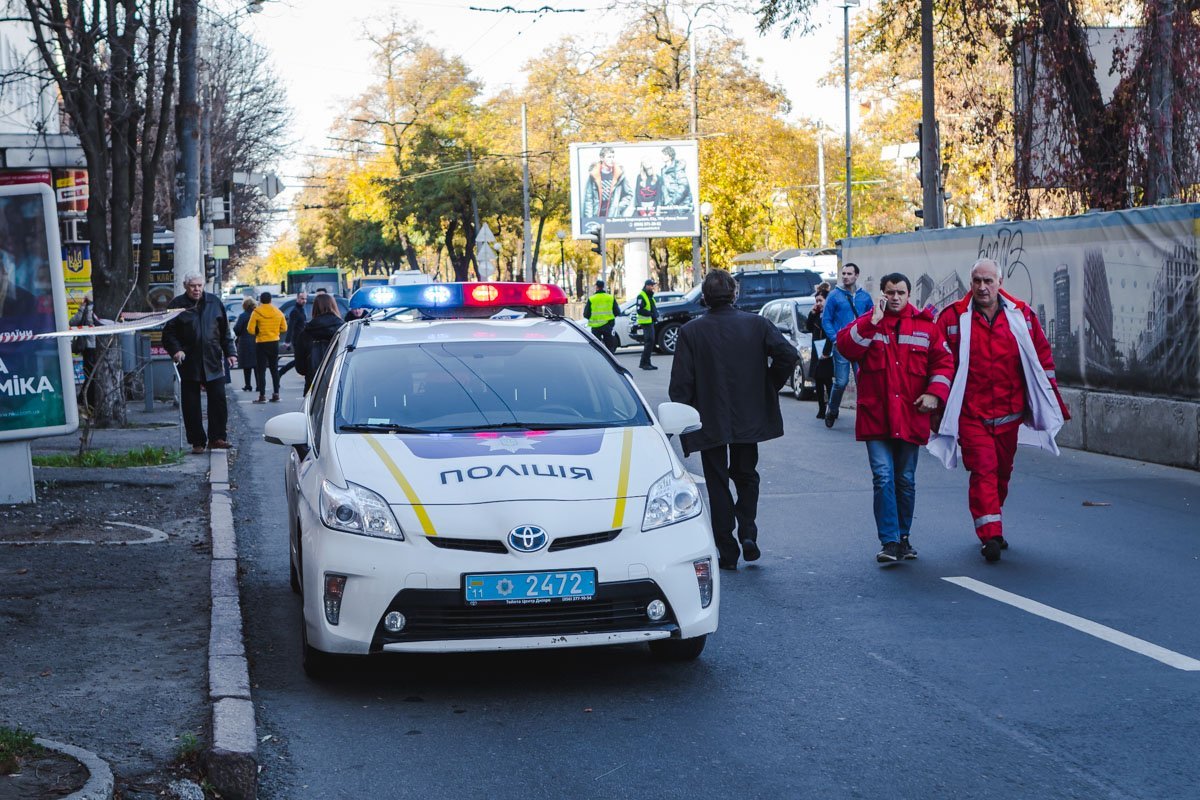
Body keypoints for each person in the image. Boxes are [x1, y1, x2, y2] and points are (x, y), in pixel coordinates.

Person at [929, 258, 1070, 563]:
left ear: (999, 283)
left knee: (1002, 474)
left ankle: (993, 518)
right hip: (971, 414)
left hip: (1009, 414)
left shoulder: (1022, 316)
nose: (982, 287)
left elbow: (1041, 358)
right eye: (977, 281)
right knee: (984, 470)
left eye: (988, 281)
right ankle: (990, 535)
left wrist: (1049, 399)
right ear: (971, 283)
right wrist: (935, 400)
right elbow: (938, 360)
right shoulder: (953, 318)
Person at [668, 269, 799, 570]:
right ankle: (748, 531)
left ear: (704, 297)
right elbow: (787, 355)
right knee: (747, 474)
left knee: (717, 482)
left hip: (707, 418)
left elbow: (681, 384)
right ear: (735, 294)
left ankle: (726, 550)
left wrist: (680, 419)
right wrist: (769, 385)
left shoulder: (691, 332)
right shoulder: (757, 324)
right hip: (748, 414)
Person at [836, 273, 955, 564]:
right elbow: (845, 347)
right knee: (883, 476)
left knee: (905, 479)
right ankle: (889, 541)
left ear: (909, 294)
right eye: (890, 292)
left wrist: (934, 395)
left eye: (901, 292)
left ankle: (904, 537)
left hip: (910, 414)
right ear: (882, 294)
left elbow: (944, 362)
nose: (895, 298)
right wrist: (871, 320)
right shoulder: (869, 323)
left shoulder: (926, 327)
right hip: (876, 416)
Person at [161, 275, 236, 454]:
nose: (197, 289)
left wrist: (231, 353)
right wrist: (176, 350)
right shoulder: (177, 305)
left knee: (218, 400)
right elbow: (168, 334)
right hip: (189, 361)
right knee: (191, 403)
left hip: (213, 360)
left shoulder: (214, 302)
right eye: (193, 286)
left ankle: (217, 438)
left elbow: (224, 331)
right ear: (185, 286)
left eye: (199, 285)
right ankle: (197, 441)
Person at [821, 262, 873, 428]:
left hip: (860, 345)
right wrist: (835, 338)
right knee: (841, 382)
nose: (846, 276)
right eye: (843, 273)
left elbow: (873, 317)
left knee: (862, 381)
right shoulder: (834, 295)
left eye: (849, 274)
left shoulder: (865, 297)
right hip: (842, 345)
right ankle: (832, 409)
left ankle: (864, 417)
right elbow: (826, 320)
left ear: (856, 275)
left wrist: (869, 338)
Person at [247, 291, 287, 404]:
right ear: (270, 300)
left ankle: (262, 395)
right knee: (274, 369)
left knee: (261, 370)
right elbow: (284, 328)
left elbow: (250, 329)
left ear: (260, 300)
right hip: (274, 342)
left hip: (261, 343)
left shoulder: (256, 312)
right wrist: (275, 331)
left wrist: (258, 331)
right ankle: (276, 394)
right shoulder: (278, 312)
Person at [582, 146, 633, 225]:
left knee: (613, 236)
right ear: (602, 158)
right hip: (597, 216)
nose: (611, 159)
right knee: (598, 236)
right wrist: (589, 219)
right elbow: (588, 199)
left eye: (613, 157)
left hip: (613, 216)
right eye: (609, 157)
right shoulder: (594, 174)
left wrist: (619, 207)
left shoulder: (619, 174)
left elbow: (629, 194)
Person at [805, 287, 834, 419]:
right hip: (817, 350)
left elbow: (831, 333)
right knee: (818, 380)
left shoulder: (831, 314)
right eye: (816, 301)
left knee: (828, 381)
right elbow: (809, 327)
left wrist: (827, 350)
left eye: (821, 300)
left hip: (828, 351)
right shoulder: (816, 315)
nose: (818, 303)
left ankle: (832, 408)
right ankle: (821, 408)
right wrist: (812, 313)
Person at [69, 295, 100, 412]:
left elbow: (73, 321)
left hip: (90, 347)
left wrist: (82, 308)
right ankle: (86, 399)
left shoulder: (88, 309)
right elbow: (73, 322)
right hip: (95, 347)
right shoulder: (93, 309)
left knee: (90, 375)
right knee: (92, 376)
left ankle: (85, 399)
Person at [304, 293, 343, 380]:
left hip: (313, 380)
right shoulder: (342, 328)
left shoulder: (307, 330)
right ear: (334, 306)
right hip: (337, 378)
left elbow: (300, 367)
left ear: (314, 308)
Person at [278, 291, 311, 392]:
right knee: (299, 360)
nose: (304, 301)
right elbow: (291, 326)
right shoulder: (295, 311)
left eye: (305, 299)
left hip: (303, 339)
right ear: (297, 299)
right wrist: (287, 341)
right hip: (297, 340)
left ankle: (280, 373)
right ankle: (280, 373)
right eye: (301, 298)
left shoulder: (301, 310)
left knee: (300, 360)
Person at [583, 279, 618, 352]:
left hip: (595, 327)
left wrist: (593, 318)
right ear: (603, 287)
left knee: (596, 347)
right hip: (608, 325)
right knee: (610, 346)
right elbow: (617, 311)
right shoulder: (610, 297)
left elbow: (586, 314)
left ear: (596, 287)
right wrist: (610, 318)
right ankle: (610, 360)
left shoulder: (592, 299)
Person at [232, 297, 257, 392]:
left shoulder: (243, 316)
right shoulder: (257, 314)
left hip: (245, 343)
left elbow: (237, 329)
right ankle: (259, 385)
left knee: (247, 366)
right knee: (257, 365)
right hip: (257, 341)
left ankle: (248, 385)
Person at [658, 145, 693, 212]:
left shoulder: (678, 168)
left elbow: (684, 187)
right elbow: (663, 188)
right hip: (669, 205)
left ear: (670, 156)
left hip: (681, 205)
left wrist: (673, 202)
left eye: (665, 154)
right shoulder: (663, 170)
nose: (662, 156)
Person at [636, 278, 659, 370]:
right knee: (649, 342)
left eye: (653, 285)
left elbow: (652, 307)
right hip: (646, 322)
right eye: (651, 285)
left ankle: (647, 362)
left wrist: (655, 315)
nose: (653, 287)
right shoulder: (641, 296)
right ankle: (644, 363)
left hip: (650, 321)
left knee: (650, 342)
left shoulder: (649, 296)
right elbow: (639, 310)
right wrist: (651, 314)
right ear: (647, 286)